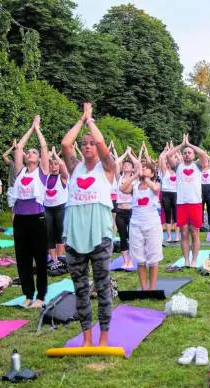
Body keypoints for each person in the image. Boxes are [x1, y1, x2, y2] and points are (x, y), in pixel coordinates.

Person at [60, 102, 115, 347]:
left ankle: (103, 336)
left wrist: (90, 120)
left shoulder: (107, 167)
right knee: (80, 289)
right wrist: (81, 120)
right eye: (84, 143)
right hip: (74, 234)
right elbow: (65, 144)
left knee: (102, 287)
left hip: (99, 234)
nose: (88, 146)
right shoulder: (74, 168)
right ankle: (86, 337)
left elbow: (102, 143)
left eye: (91, 143)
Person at [11, 116, 50, 308]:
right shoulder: (20, 172)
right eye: (29, 152)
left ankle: (41, 296)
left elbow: (44, 147)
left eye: (34, 152)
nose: (30, 153)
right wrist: (30, 128)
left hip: (37, 219)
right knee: (22, 259)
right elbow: (19, 147)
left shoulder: (42, 172)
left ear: (39, 158)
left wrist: (38, 129)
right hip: (20, 219)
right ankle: (28, 294)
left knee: (40, 259)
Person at [121, 154, 162, 290]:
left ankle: (152, 288)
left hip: (152, 225)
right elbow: (122, 189)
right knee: (139, 258)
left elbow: (155, 189)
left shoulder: (155, 184)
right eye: (141, 168)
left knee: (153, 257)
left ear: (152, 172)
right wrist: (134, 176)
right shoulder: (134, 186)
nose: (143, 169)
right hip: (136, 225)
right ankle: (144, 289)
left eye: (146, 168)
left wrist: (146, 178)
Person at [175, 134, 209, 268]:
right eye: (184, 153)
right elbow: (168, 156)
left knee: (195, 233)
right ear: (182, 155)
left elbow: (203, 154)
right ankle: (186, 260)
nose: (187, 154)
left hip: (195, 203)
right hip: (182, 203)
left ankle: (194, 260)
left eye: (189, 153)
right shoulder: (178, 167)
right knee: (184, 233)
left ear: (193, 155)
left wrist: (188, 144)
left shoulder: (198, 166)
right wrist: (181, 145)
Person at [45, 148, 69, 270]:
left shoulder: (63, 177)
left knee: (60, 233)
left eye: (56, 164)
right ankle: (53, 259)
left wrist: (55, 154)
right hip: (47, 209)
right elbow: (42, 164)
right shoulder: (45, 176)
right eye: (51, 164)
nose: (53, 166)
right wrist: (48, 158)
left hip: (60, 208)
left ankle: (59, 259)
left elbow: (63, 165)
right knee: (49, 233)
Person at [115, 148, 135, 269]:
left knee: (132, 237)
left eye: (129, 165)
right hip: (120, 211)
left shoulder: (135, 178)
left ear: (132, 168)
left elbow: (137, 164)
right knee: (123, 237)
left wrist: (130, 155)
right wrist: (126, 153)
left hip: (131, 211)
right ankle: (125, 260)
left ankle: (131, 260)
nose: (126, 166)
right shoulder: (119, 178)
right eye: (125, 165)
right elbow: (117, 162)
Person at [159, 143, 179, 243]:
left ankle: (177, 236)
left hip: (175, 193)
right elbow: (161, 158)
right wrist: (166, 150)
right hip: (166, 193)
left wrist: (174, 149)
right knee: (167, 215)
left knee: (176, 215)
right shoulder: (164, 171)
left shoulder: (177, 170)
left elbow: (179, 159)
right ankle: (169, 236)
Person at [201, 159, 210, 229]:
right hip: (201, 189)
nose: (205, 163)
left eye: (206, 161)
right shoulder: (199, 170)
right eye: (204, 161)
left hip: (209, 189)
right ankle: (201, 224)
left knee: (209, 208)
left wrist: (206, 156)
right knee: (201, 208)